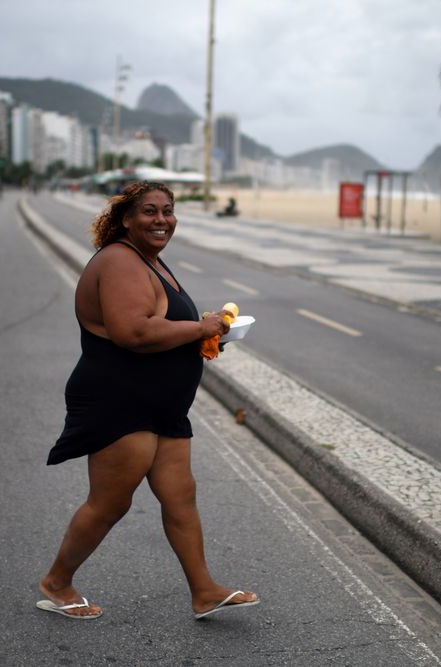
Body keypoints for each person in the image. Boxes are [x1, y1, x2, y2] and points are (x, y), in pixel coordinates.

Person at [37, 181, 260, 621]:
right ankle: (56, 583)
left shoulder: (148, 260)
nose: (162, 220)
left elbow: (163, 328)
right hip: (121, 397)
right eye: (150, 212)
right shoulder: (120, 261)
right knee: (110, 502)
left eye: (168, 211)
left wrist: (209, 336)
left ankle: (204, 592)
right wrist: (201, 328)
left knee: (181, 496)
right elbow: (133, 332)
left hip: (162, 405)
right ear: (125, 218)